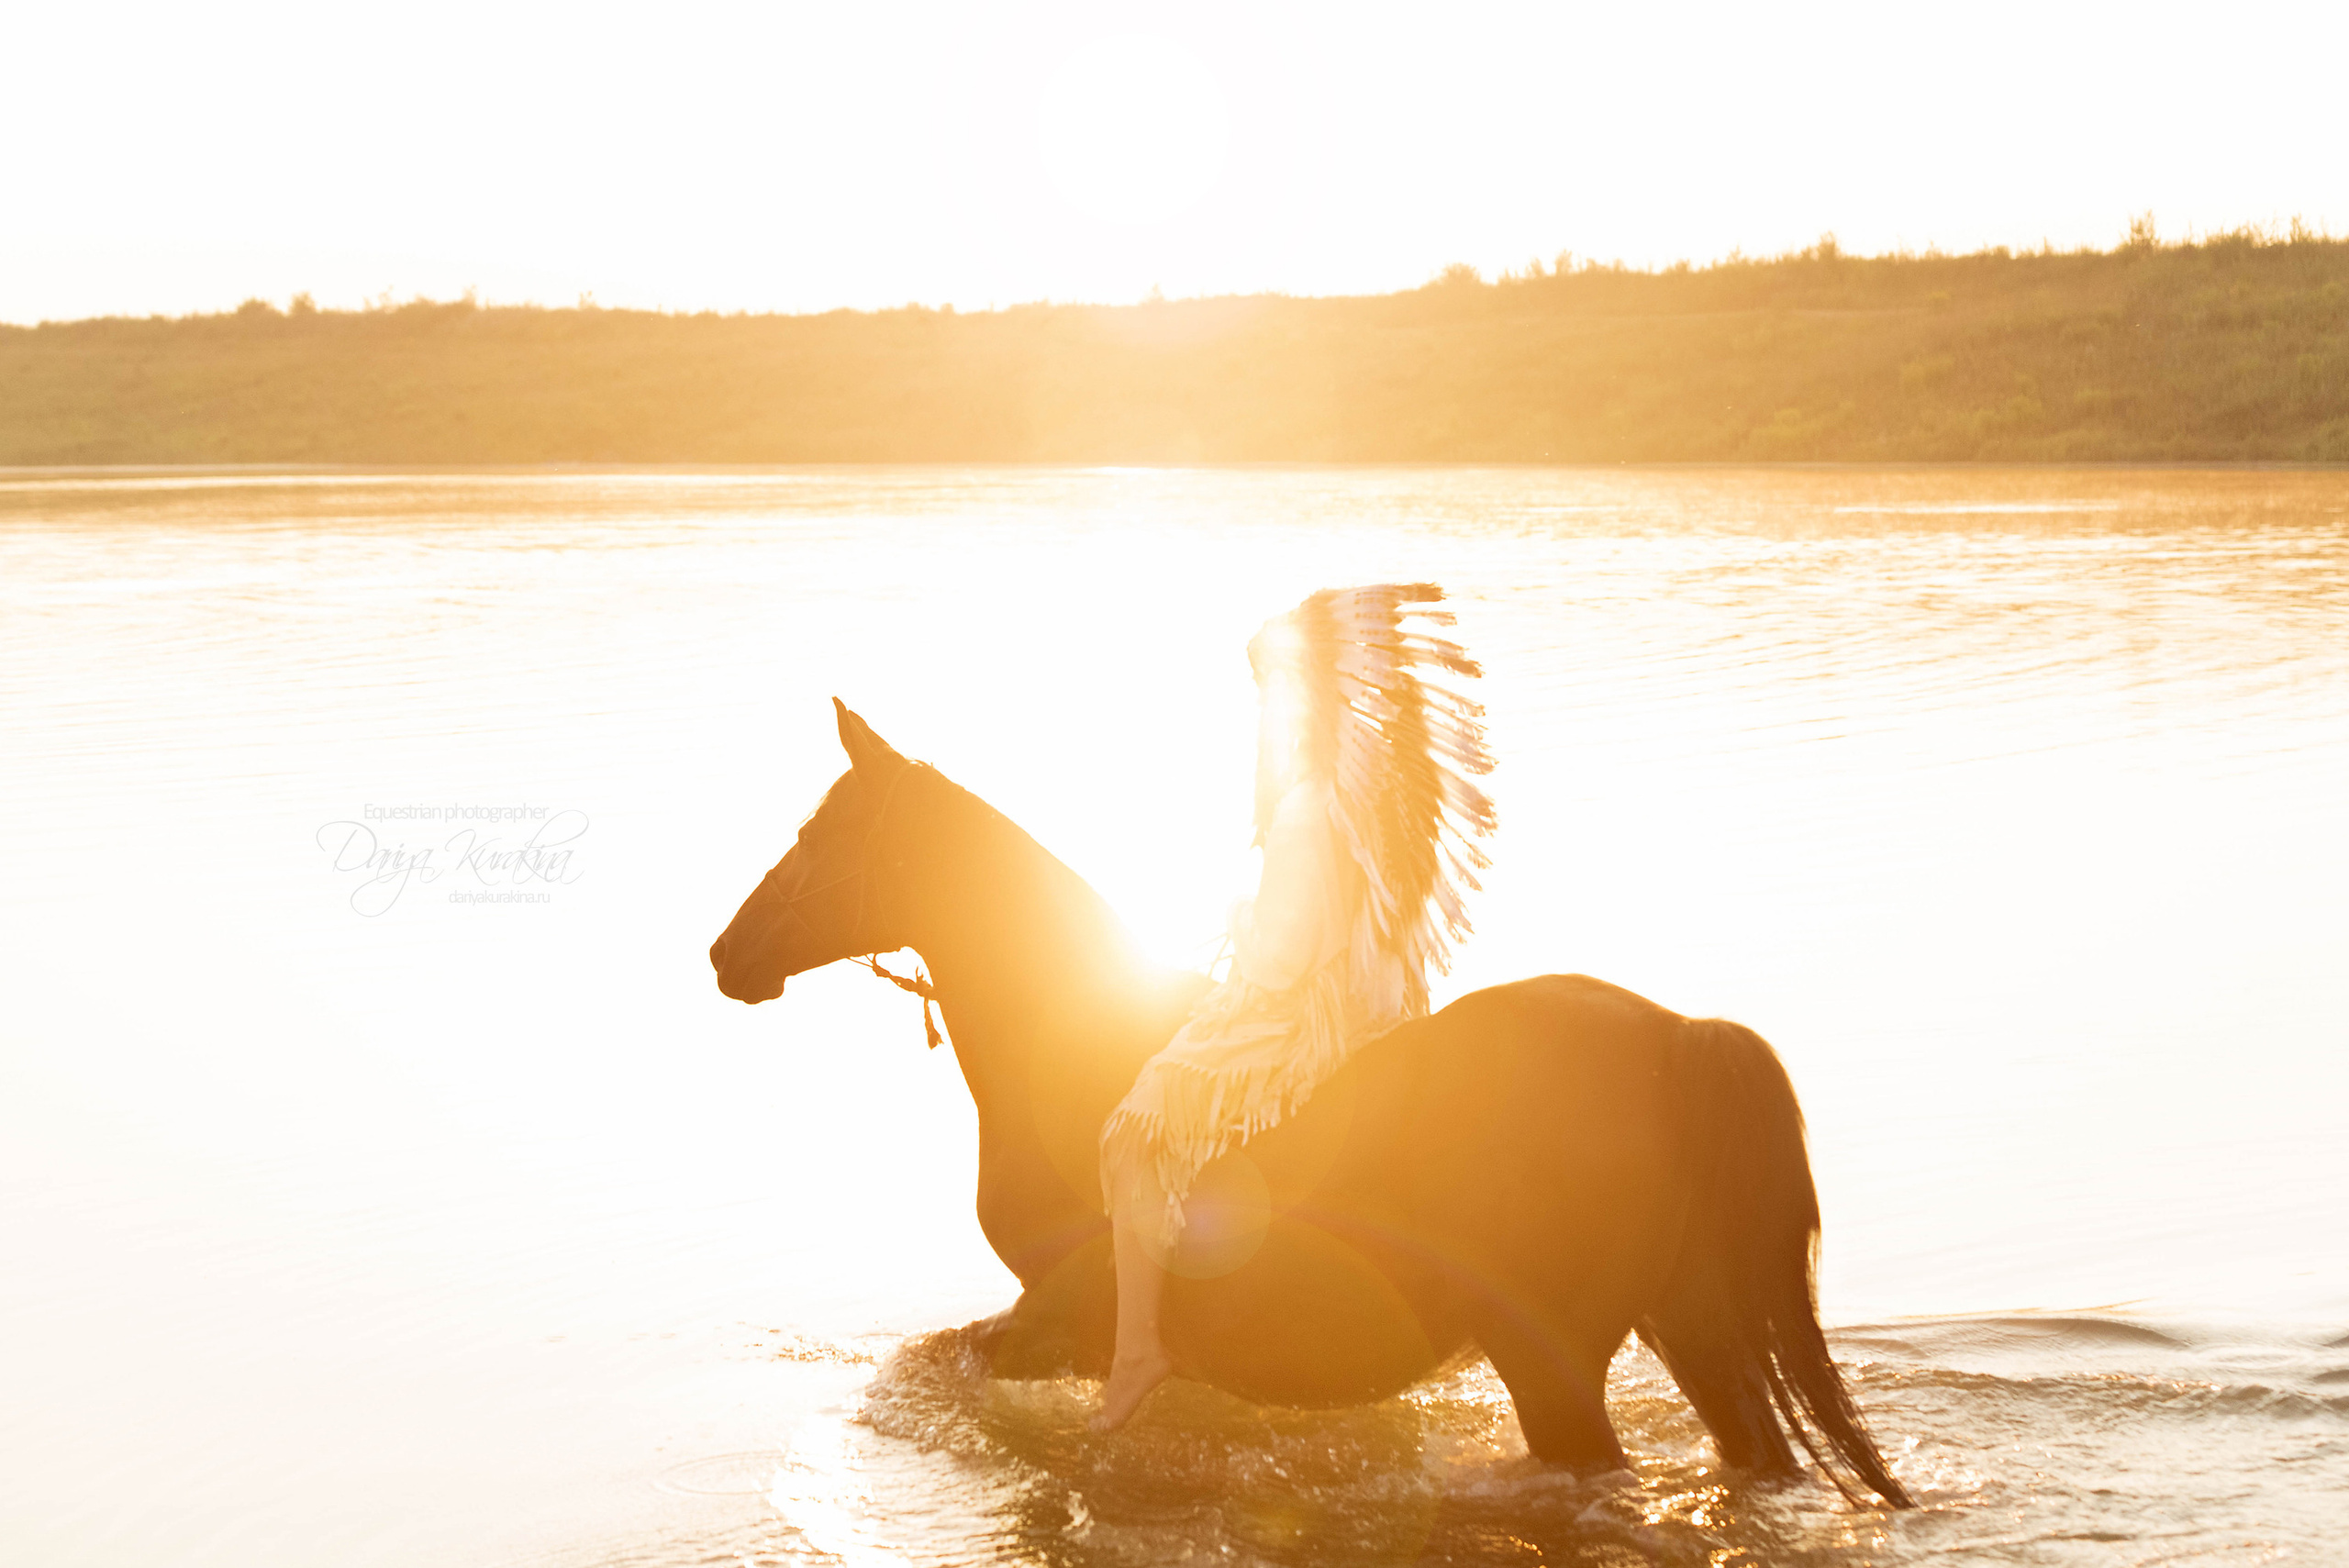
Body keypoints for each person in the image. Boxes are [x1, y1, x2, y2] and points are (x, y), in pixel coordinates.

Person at [1092, 584, 1497, 1432]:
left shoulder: (1308, 810)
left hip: (1301, 1020)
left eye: (1271, 700)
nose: (1261, 723)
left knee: (1133, 1129)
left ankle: (1136, 1354)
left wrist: (1238, 916)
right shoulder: (1362, 804)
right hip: (1366, 1004)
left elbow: (1277, 962)